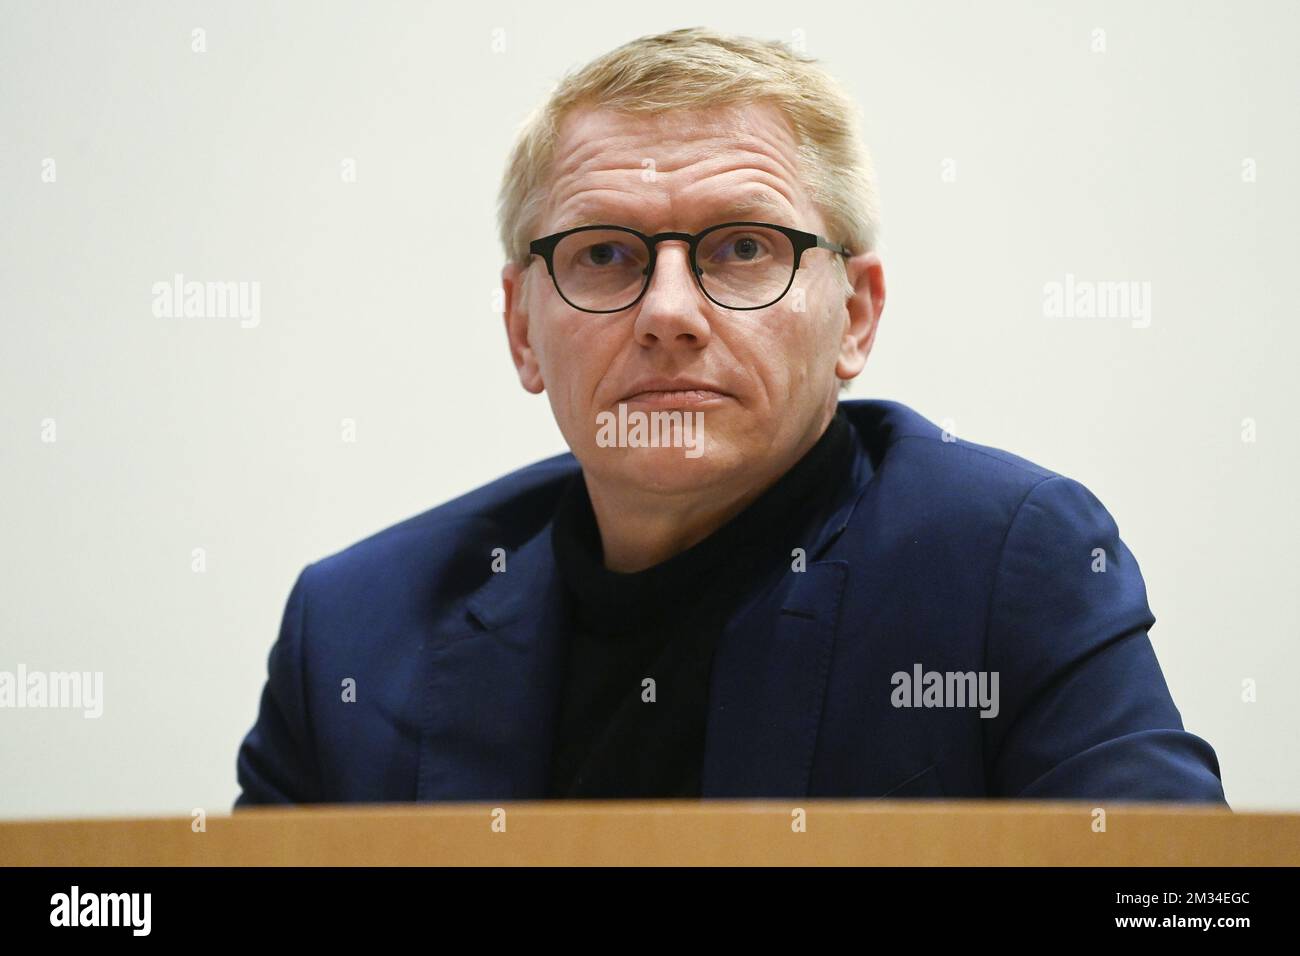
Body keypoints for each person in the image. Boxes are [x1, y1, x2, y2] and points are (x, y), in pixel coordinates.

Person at [235, 27, 1226, 806]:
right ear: (522, 327)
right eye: (604, 255)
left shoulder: (1008, 565)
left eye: (743, 247)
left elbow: (1182, 900)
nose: (667, 313)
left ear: (856, 313)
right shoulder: (355, 630)